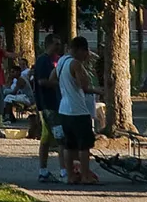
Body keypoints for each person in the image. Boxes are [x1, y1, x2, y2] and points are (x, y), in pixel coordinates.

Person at [53, 35, 100, 185]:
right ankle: (85, 175)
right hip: (78, 110)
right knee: (84, 146)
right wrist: (100, 91)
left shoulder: (61, 61)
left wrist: (64, 85)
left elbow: (52, 78)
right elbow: (84, 86)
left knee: (69, 145)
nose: (86, 56)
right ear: (80, 50)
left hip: (64, 109)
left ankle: (70, 176)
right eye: (86, 52)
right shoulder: (76, 64)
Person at [33, 34, 67, 184]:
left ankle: (43, 171)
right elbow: (41, 81)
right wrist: (59, 84)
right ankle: (64, 171)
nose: (59, 47)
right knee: (61, 139)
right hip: (49, 105)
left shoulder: (53, 61)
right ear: (49, 45)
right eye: (56, 44)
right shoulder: (43, 61)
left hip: (51, 105)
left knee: (46, 139)